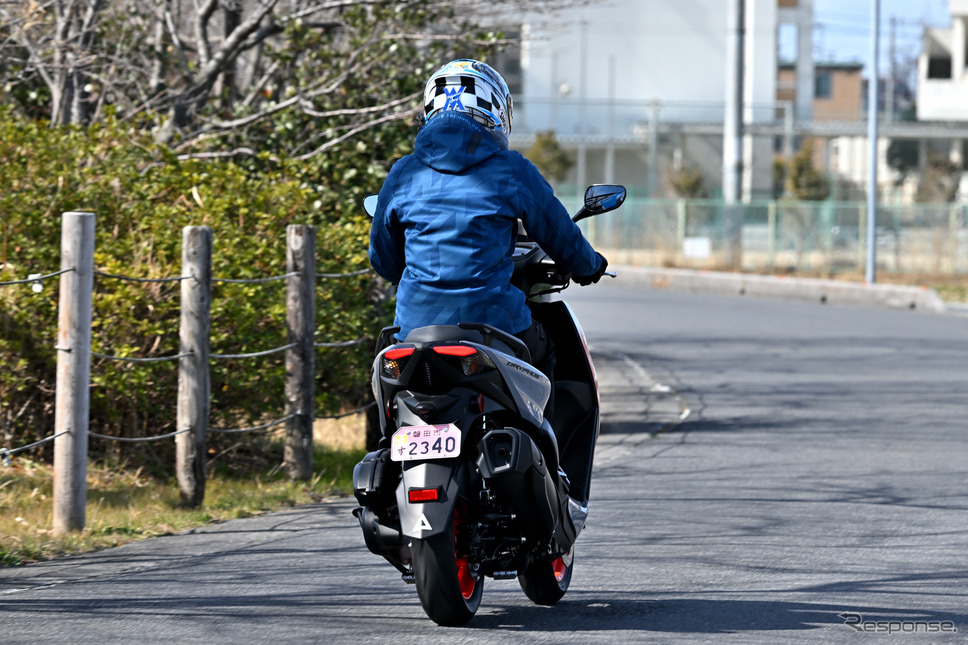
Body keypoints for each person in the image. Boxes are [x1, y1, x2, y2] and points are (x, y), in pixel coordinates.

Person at [368, 59, 607, 418]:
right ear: (495, 111)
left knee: (388, 382)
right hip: (495, 324)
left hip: (415, 330)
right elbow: (558, 232)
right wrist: (590, 265)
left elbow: (383, 260)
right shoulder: (511, 169)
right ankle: (552, 460)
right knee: (546, 353)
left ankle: (388, 452)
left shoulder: (404, 172)